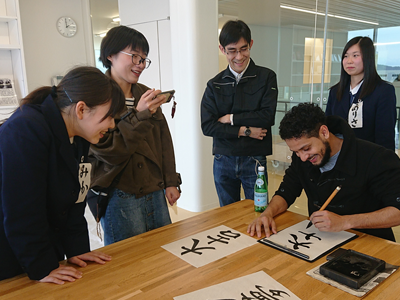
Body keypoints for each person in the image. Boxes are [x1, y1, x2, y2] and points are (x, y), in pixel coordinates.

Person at [0, 66, 125, 283]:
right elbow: (22, 211)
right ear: (82, 109)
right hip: (12, 251)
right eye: (110, 116)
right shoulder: (25, 130)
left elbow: (75, 198)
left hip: (41, 245)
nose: (112, 125)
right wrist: (42, 267)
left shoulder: (78, 136)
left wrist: (77, 250)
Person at [247, 103, 400, 241]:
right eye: (296, 152)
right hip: (321, 241)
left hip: (370, 244)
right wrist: (267, 213)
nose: (303, 157)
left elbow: (397, 211)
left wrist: (345, 221)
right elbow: (287, 191)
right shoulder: (302, 158)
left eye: (306, 149)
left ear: (324, 132)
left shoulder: (375, 158)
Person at [88, 26, 181, 246]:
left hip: (154, 188)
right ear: (110, 55)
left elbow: (163, 141)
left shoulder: (145, 93)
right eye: (134, 56)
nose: (140, 64)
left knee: (165, 253)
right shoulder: (96, 97)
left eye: (144, 59)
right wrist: (139, 115)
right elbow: (109, 151)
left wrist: (170, 182)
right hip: (119, 194)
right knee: (130, 263)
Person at [201, 20, 278, 207]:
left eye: (244, 49)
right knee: (227, 214)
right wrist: (245, 130)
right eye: (232, 50)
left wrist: (230, 118)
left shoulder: (266, 77)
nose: (239, 56)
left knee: (259, 211)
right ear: (222, 49)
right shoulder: (215, 84)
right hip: (223, 158)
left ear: (251, 44)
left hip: (254, 158)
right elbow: (208, 126)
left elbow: (267, 117)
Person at [325, 36, 397, 150]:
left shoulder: (383, 91)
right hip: (338, 159)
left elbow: (385, 136)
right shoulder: (335, 91)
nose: (349, 61)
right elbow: (327, 128)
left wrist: (385, 165)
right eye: (345, 56)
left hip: (367, 159)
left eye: (355, 55)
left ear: (367, 58)